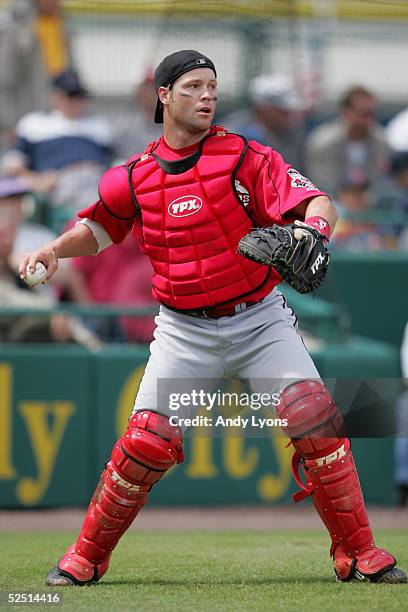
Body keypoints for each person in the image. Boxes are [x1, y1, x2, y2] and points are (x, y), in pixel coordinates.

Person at [19, 50, 406, 586]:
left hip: (259, 319)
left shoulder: (246, 156)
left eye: (213, 88)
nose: (207, 97)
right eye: (194, 86)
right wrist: (55, 250)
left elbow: (320, 203)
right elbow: (100, 227)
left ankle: (361, 553)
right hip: (182, 329)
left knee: (315, 418)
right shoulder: (133, 175)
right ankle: (84, 557)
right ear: (164, 95)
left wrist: (312, 232)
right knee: (145, 442)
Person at [2, 68, 112, 221]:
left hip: (97, 181)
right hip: (59, 185)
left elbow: (114, 162)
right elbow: (12, 165)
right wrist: (37, 180)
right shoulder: (34, 123)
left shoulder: (99, 125)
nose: (77, 101)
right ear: (55, 96)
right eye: (71, 95)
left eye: (80, 95)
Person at [306, 86, 390, 196]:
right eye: (363, 115)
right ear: (346, 113)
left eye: (372, 114)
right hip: (330, 200)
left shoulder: (381, 142)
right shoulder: (323, 142)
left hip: (369, 203)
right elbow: (320, 182)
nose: (369, 120)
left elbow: (380, 180)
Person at [224, 73, 306, 170]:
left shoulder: (292, 136)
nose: (289, 116)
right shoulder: (235, 134)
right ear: (265, 109)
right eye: (283, 111)